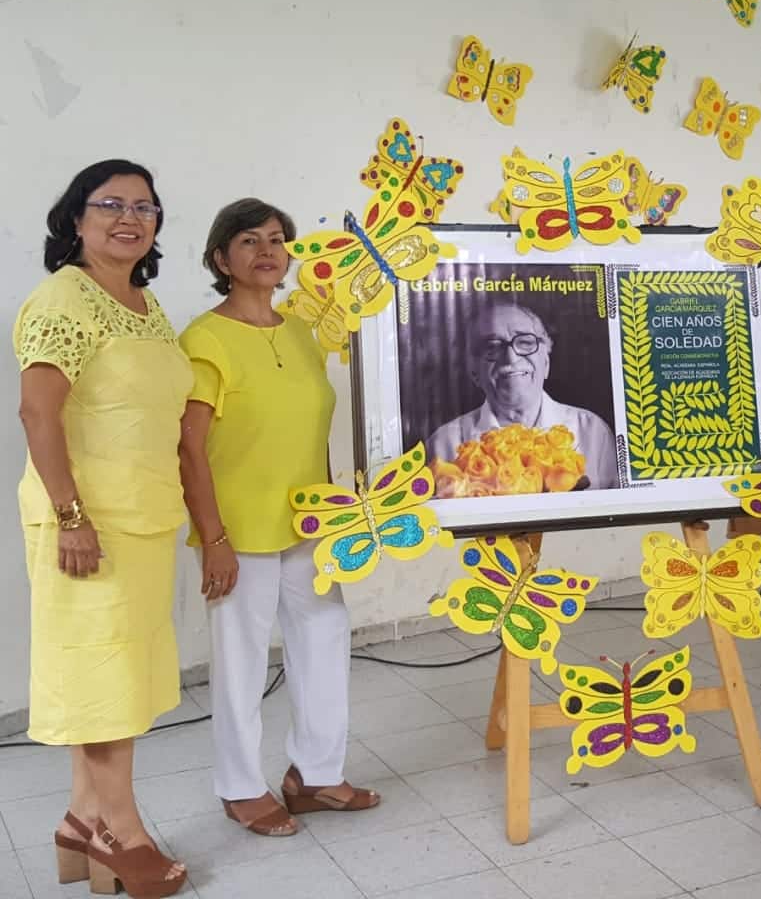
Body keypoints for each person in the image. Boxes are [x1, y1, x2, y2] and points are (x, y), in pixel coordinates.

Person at [177, 198, 380, 838]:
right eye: (248, 240)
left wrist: (336, 510)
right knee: (240, 659)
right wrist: (214, 538)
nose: (267, 250)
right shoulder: (204, 339)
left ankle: (316, 775)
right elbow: (188, 446)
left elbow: (309, 429)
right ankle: (240, 788)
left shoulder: (300, 330)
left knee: (325, 637)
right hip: (237, 529)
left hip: (309, 524)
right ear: (221, 259)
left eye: (276, 239)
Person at [16, 160, 188, 896]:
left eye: (144, 207)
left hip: (144, 520)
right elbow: (37, 413)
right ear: (76, 219)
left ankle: (81, 823)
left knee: (118, 676)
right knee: (104, 678)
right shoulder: (63, 299)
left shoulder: (148, 306)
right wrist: (71, 516)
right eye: (110, 204)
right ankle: (122, 830)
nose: (129, 217)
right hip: (85, 526)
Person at [426, 300, 619, 489]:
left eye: (526, 342)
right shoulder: (443, 445)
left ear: (546, 363)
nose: (511, 357)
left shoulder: (593, 433)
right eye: (493, 346)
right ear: (474, 372)